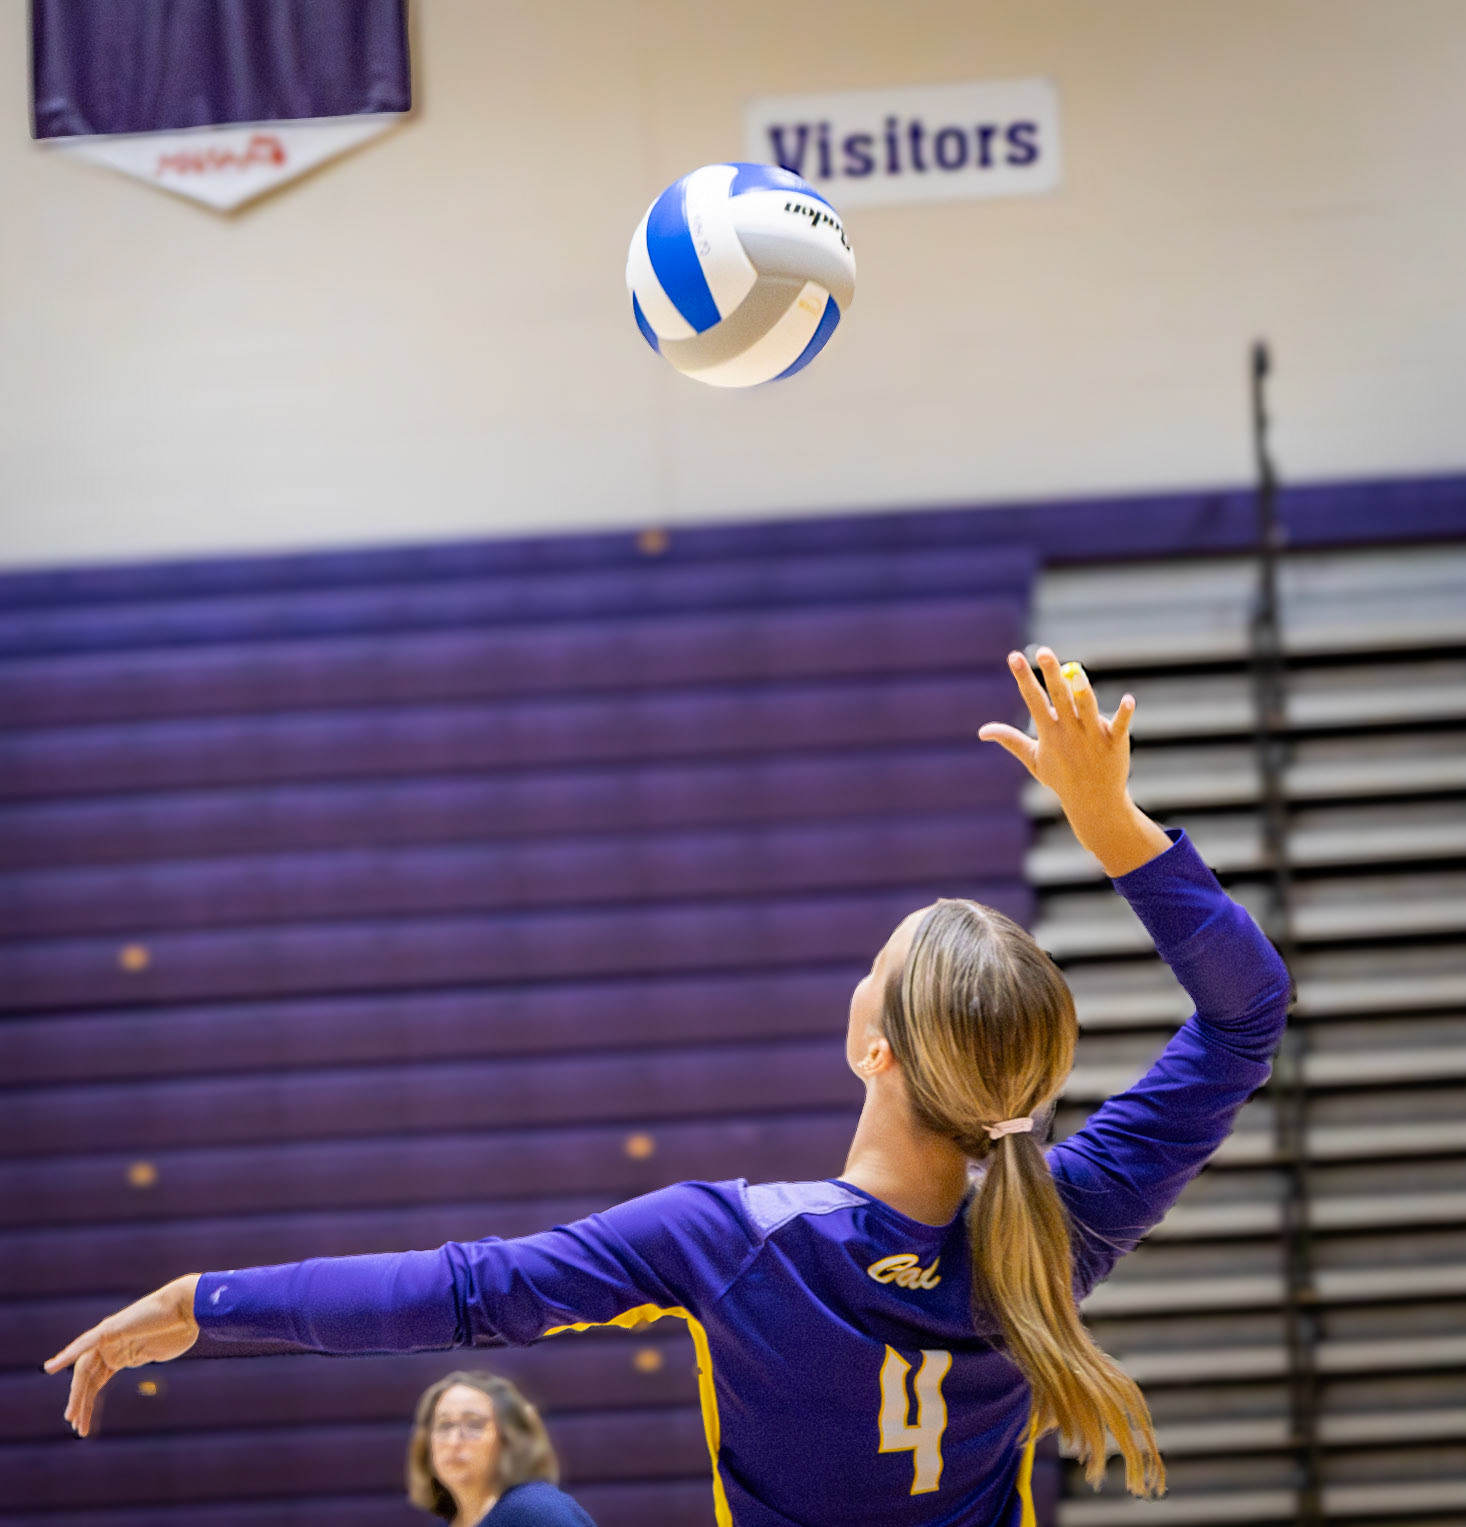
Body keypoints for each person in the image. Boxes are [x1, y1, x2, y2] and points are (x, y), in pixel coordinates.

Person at [45, 648, 1291, 1527]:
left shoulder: (739, 1244)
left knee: (532, 1515)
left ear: (878, 1052)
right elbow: (1245, 1018)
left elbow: (463, 1292)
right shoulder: (1055, 1230)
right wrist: (1115, 825)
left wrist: (211, 1302)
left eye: (874, 967)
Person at [406, 1370, 597, 1526]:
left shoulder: (537, 1511)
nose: (454, 1441)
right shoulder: (450, 1521)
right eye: (444, 1425)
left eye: (474, 1425)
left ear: (510, 1438)